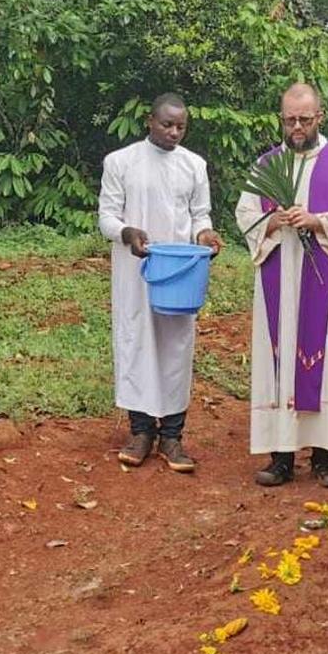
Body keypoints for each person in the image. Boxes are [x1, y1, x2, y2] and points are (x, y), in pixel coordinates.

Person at [236, 83, 328, 488]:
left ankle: (324, 458)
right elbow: (245, 212)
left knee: (324, 362)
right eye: (290, 119)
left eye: (304, 119)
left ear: (319, 117)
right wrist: (271, 222)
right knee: (280, 361)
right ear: (281, 119)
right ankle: (281, 458)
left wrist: (318, 221)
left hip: (322, 276)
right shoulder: (266, 165)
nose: (296, 127)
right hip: (281, 273)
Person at [98, 93, 223, 473]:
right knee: (137, 342)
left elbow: (200, 215)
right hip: (137, 272)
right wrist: (127, 232)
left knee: (176, 345)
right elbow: (106, 215)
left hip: (180, 274)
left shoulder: (193, 165)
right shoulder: (121, 162)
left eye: (181, 126)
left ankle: (172, 435)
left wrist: (205, 236)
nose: (174, 132)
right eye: (167, 124)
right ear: (150, 121)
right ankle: (140, 432)